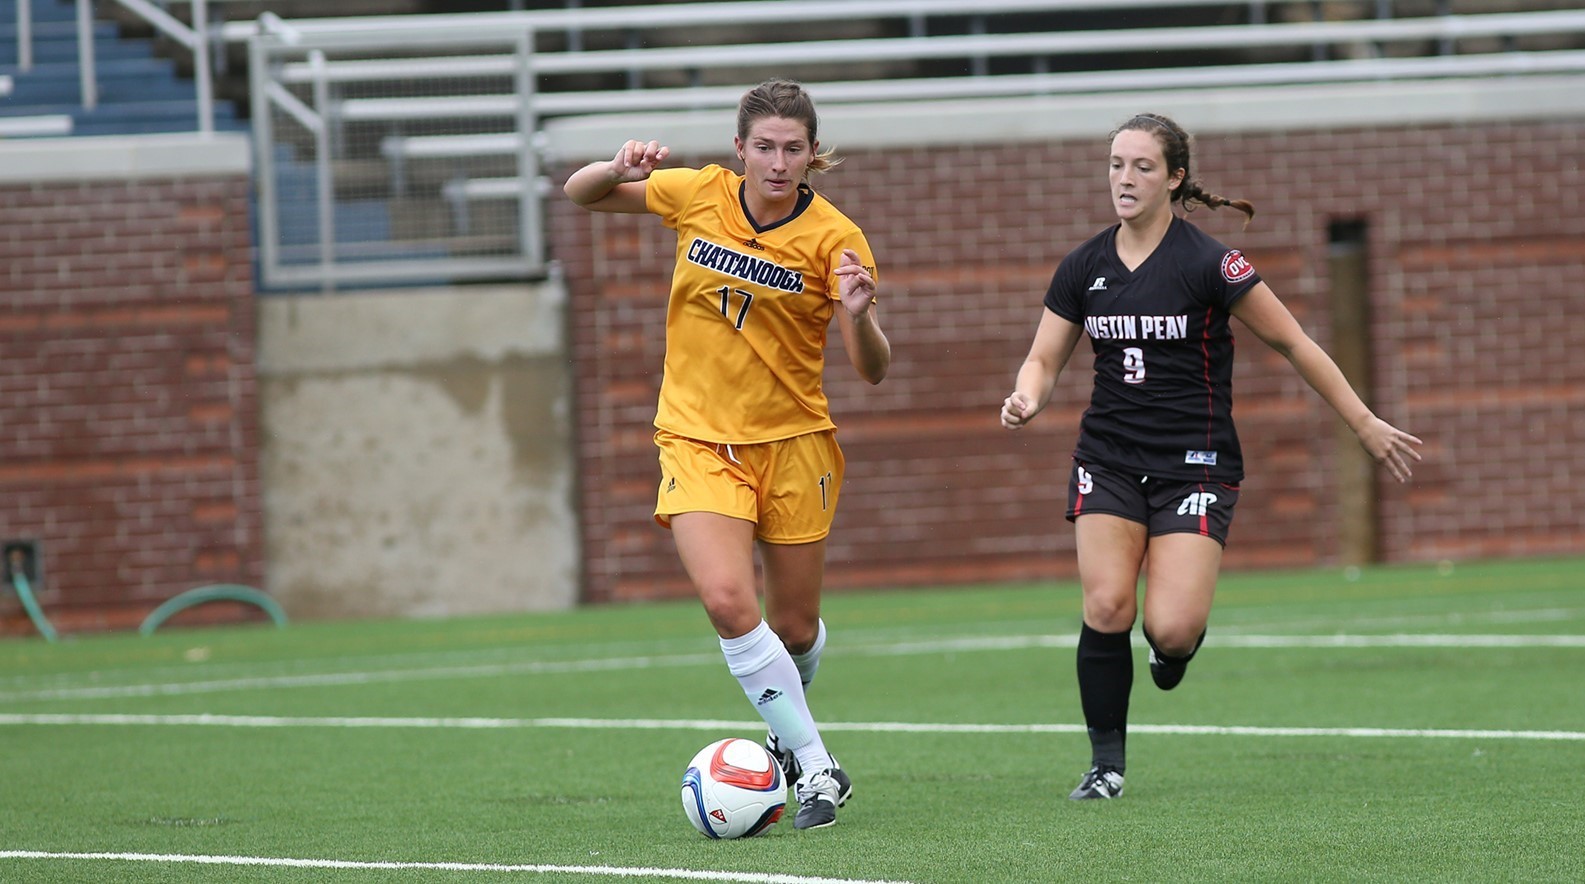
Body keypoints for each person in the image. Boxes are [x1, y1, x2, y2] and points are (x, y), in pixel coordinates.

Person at [999, 112, 1422, 800]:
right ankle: (1105, 766)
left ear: (1173, 178)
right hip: (1106, 458)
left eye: (1140, 166)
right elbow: (1043, 359)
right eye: (1114, 164)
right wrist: (1026, 397)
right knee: (1107, 604)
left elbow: (1295, 344)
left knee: (1170, 627)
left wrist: (1363, 422)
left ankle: (1173, 652)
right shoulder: (1083, 265)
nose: (1124, 178)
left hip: (1193, 464)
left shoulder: (1209, 262)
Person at [563, 79, 891, 829]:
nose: (778, 162)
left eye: (793, 149)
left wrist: (860, 315)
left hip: (794, 441)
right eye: (764, 147)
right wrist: (616, 168)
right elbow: (580, 194)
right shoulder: (695, 193)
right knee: (725, 601)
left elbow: (871, 368)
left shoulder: (836, 238)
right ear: (739, 148)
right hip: (695, 435)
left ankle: (785, 734)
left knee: (796, 628)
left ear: (813, 155)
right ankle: (815, 765)